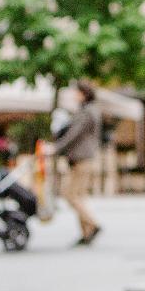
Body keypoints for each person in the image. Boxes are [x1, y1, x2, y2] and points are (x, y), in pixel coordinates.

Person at [54, 82, 103, 246]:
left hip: (82, 159)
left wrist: (55, 148)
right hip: (83, 158)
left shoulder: (86, 112)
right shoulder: (90, 110)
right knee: (79, 196)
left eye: (77, 92)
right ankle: (86, 233)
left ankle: (93, 224)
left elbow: (73, 135)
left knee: (70, 195)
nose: (74, 95)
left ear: (84, 94)